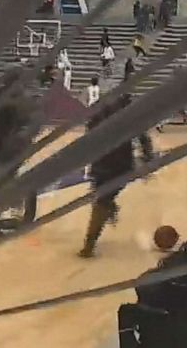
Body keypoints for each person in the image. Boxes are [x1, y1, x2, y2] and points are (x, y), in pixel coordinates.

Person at [0, 67, 40, 224]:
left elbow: (33, 123)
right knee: (2, 181)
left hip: (10, 148)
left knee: (10, 180)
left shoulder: (23, 101)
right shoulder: (0, 99)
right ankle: (1, 215)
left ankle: (15, 214)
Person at [79, 94, 134, 258]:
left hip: (104, 165)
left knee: (101, 201)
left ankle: (90, 243)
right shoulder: (129, 118)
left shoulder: (100, 115)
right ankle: (90, 241)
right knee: (102, 201)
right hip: (119, 166)